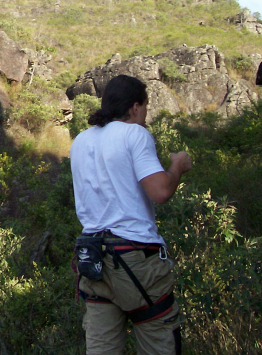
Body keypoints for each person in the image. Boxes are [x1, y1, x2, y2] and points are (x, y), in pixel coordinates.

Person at [70, 74, 192, 355]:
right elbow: (160, 192)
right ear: (135, 107)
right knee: (159, 342)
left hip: (94, 260)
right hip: (136, 258)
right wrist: (178, 166)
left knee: (102, 349)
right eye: (146, 108)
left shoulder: (80, 141)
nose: (145, 115)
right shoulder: (134, 134)